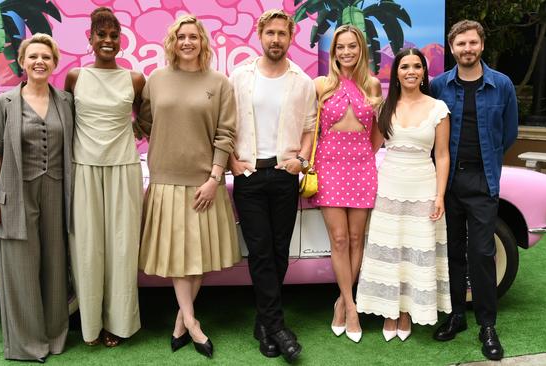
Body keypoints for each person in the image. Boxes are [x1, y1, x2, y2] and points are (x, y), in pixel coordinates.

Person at [136, 14, 240, 359]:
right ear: (172, 41)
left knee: (199, 258)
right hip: (166, 181)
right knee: (182, 260)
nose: (187, 42)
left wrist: (214, 178)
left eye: (193, 37)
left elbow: (225, 134)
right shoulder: (156, 79)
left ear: (202, 42)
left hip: (203, 183)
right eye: (181, 36)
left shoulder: (220, 82)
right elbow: (147, 120)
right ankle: (193, 324)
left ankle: (181, 320)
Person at [228, 9, 316, 363]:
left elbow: (310, 126)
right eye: (271, 33)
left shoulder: (302, 81)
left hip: (284, 176)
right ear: (259, 35)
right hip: (248, 177)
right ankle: (278, 327)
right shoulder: (240, 77)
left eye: (282, 33)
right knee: (261, 250)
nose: (276, 39)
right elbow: (225, 122)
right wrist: (233, 162)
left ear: (290, 37)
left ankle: (264, 324)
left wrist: (303, 160)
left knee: (279, 251)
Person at [430, 20, 518, 361]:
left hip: (483, 181)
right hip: (449, 181)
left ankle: (487, 325)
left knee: (482, 253)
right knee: (452, 252)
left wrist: (488, 164)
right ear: (452, 49)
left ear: (481, 45)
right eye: (460, 44)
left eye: (472, 43)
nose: (467, 49)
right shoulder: (439, 86)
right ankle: (456, 316)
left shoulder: (502, 85)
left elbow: (508, 134)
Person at [0, 33, 73, 362]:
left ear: (54, 63)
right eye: (33, 56)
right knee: (20, 269)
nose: (40, 61)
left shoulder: (65, 101)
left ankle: (54, 337)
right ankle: (26, 344)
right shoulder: (2, 103)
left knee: (54, 265)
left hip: (55, 189)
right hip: (16, 192)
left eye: (46, 57)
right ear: (22, 62)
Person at [355, 48, 451, 342]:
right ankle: (389, 312)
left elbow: (443, 155)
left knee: (414, 250)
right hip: (389, 186)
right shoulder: (385, 107)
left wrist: (439, 196)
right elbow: (369, 148)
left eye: (417, 66)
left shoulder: (438, 108)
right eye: (405, 66)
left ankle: (408, 312)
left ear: (424, 72)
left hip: (423, 186)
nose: (411, 71)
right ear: (396, 72)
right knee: (389, 248)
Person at [64, 7, 145, 347]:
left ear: (121, 40)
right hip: (84, 170)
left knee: (122, 248)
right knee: (87, 247)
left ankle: (119, 323)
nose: (108, 41)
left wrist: (129, 135)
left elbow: (145, 118)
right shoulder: (75, 77)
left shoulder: (135, 79)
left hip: (123, 169)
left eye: (114, 35)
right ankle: (91, 323)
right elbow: (64, 123)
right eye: (102, 35)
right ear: (90, 38)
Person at [311, 24, 383, 343]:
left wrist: (364, 154)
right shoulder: (321, 85)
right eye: (340, 47)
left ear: (361, 49)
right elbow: (310, 129)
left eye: (352, 46)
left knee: (357, 238)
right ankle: (352, 308)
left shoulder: (373, 85)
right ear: (333, 51)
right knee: (339, 239)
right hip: (328, 165)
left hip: (362, 165)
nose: (346, 52)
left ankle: (342, 301)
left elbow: (379, 133)